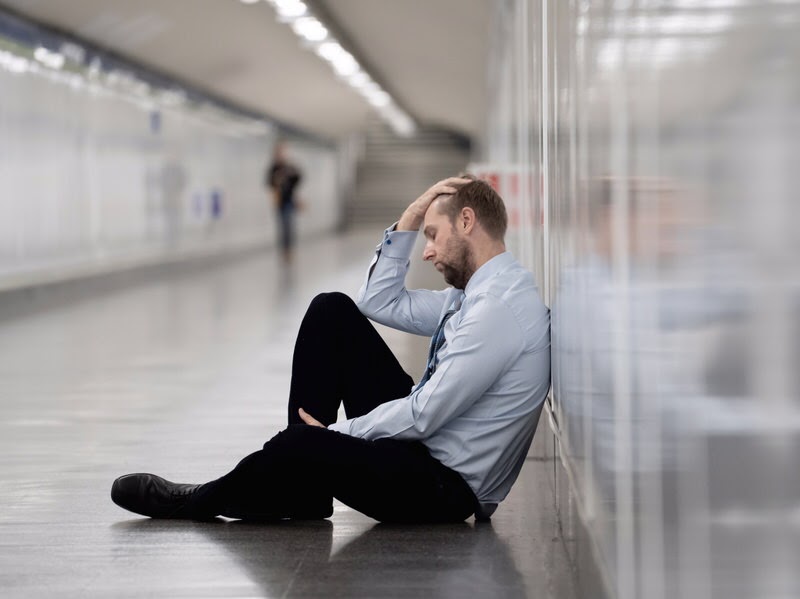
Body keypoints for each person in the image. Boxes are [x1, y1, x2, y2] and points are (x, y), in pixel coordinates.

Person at [111, 176, 551, 523]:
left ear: (468, 221)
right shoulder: (477, 293)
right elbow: (379, 301)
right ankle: (302, 491)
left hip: (443, 489)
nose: (427, 252)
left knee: (306, 441)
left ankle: (197, 502)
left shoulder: (496, 310)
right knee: (332, 311)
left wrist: (334, 434)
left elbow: (424, 414)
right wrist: (413, 216)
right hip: (426, 452)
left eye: (433, 236)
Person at [266, 141, 302, 263]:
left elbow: (298, 178)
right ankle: (284, 251)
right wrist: (277, 178)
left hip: (289, 201)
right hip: (280, 202)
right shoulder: (274, 168)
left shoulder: (289, 167)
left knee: (289, 227)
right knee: (283, 227)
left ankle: (289, 250)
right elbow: (269, 182)